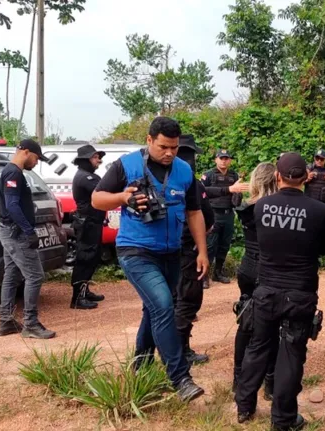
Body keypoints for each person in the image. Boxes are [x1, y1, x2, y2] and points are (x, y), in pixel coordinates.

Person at [91, 117, 208, 403]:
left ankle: (140, 368)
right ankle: (180, 378)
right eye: (163, 147)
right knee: (165, 306)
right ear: (149, 140)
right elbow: (97, 199)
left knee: (153, 310)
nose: (169, 153)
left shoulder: (184, 171)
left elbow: (194, 212)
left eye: (174, 147)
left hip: (171, 253)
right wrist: (122, 197)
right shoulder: (126, 165)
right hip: (136, 251)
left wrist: (203, 251)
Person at [235, 152, 325, 430]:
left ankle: (244, 406)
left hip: (266, 290)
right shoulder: (319, 210)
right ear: (305, 177)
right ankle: (283, 419)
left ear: (278, 176)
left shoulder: (260, 207)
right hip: (300, 292)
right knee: (291, 353)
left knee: (258, 347)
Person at [0, 139, 56, 339]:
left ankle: (6, 321)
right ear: (26, 152)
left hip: (9, 230)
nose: (36, 162)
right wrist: (29, 230)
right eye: (36, 158)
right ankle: (30, 323)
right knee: (35, 276)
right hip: (16, 232)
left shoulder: (12, 172)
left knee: (12, 274)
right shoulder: (13, 173)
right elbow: (12, 205)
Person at [232, 162, 279, 399]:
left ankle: (238, 378)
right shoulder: (274, 209)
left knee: (245, 323)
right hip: (268, 270)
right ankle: (270, 382)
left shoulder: (247, 207)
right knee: (273, 327)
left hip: (247, 267)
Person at [174, 134, 215, 366]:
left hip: (164, 248)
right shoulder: (191, 181)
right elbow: (206, 216)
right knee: (188, 300)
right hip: (188, 249)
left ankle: (155, 351)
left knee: (168, 300)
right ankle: (181, 353)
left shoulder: (159, 179)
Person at [202, 149, 248, 284]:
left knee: (224, 245)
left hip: (228, 214)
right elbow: (202, 191)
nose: (224, 161)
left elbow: (237, 197)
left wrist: (238, 195)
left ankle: (218, 273)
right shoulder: (208, 175)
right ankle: (204, 277)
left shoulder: (234, 176)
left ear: (230, 160)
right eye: (221, 158)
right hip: (213, 214)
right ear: (216, 159)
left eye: (226, 158)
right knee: (210, 245)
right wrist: (228, 189)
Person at [70, 144, 107, 310]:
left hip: (92, 222)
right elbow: (105, 190)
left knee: (92, 256)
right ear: (85, 160)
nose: (99, 160)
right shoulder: (86, 177)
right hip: (87, 224)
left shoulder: (88, 175)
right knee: (85, 258)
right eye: (95, 157)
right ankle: (77, 297)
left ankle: (84, 291)